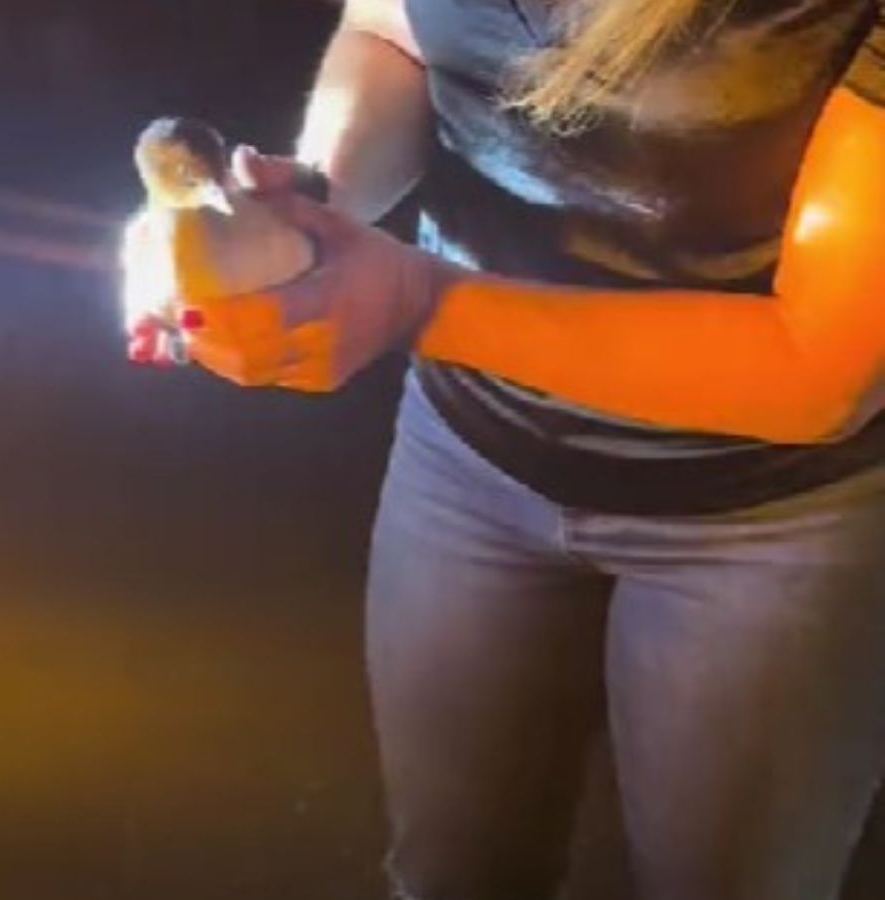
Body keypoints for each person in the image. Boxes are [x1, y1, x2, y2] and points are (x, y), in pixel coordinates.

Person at [122, 0, 885, 896]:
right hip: (470, 453)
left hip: (768, 518)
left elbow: (819, 371)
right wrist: (309, 223)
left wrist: (418, 303)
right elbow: (392, 32)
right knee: (451, 876)